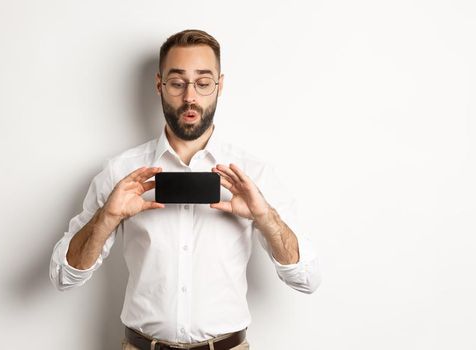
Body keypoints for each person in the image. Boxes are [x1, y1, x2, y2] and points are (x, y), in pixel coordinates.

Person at [49, 29, 320, 350]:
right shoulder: (121, 172)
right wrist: (106, 217)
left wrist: (265, 216)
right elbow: (63, 278)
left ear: (219, 86)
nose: (190, 96)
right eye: (177, 83)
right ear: (159, 85)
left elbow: (307, 280)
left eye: (203, 83)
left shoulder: (253, 173)